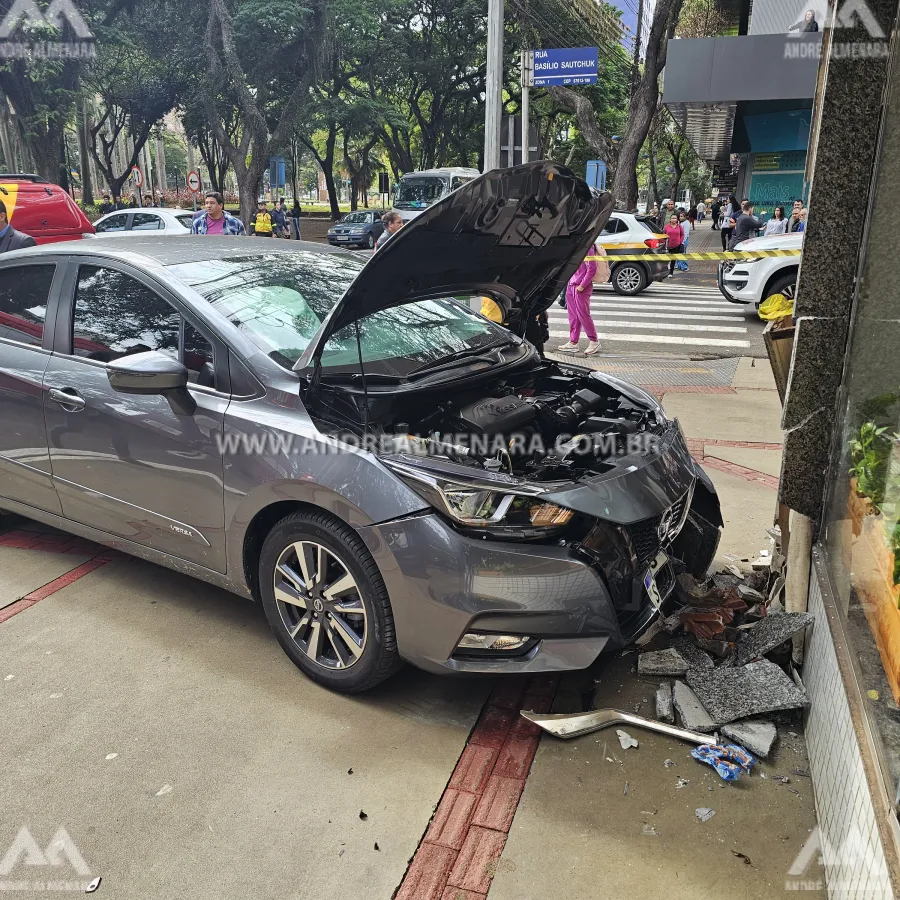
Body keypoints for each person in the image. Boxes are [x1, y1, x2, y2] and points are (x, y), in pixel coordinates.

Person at [557, 250, 599, 356]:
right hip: (572, 285)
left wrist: (582, 285)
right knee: (573, 316)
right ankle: (573, 342)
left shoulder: (588, 247)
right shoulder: (579, 245)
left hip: (581, 287)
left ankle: (594, 341)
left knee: (583, 314)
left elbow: (592, 268)